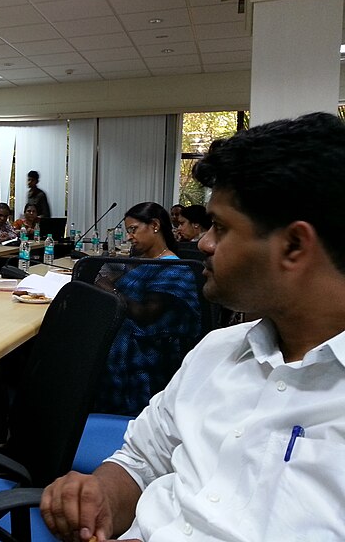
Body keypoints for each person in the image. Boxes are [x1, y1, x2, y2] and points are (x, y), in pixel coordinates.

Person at [41, 112, 345, 542]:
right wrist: (101, 495)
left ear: (293, 246)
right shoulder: (216, 350)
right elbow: (141, 460)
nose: (203, 244)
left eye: (220, 227)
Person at [92, 202, 201, 416]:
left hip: (145, 360)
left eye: (133, 230)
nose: (130, 237)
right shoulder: (144, 263)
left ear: (154, 225)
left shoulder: (173, 268)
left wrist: (110, 288)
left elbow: (145, 314)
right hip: (122, 348)